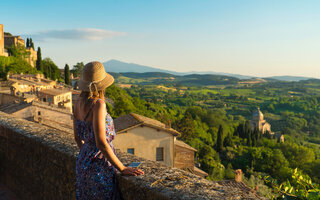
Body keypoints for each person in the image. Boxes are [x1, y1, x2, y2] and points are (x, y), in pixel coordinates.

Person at [73, 61, 144, 199]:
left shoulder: (77, 102)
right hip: (99, 167)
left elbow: (77, 137)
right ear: (102, 85)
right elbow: (101, 143)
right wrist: (122, 168)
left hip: (82, 164)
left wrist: (86, 154)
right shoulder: (98, 104)